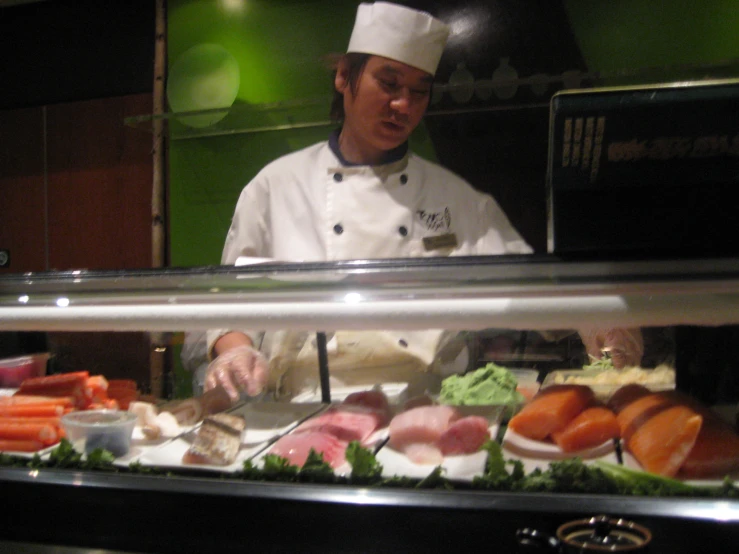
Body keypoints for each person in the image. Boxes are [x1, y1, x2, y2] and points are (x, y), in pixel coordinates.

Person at [199, 2, 642, 403]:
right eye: (388, 82)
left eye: (419, 90)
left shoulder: (456, 198)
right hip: (302, 405)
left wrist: (596, 317)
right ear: (343, 77)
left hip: (427, 406)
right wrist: (234, 353)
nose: (402, 104)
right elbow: (232, 305)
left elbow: (525, 286)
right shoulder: (276, 186)